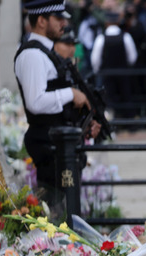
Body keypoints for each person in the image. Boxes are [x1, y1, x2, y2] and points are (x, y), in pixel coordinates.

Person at [15, 0, 99, 218]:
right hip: (48, 144)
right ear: (41, 21)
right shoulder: (33, 54)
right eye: (58, 18)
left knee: (65, 214)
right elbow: (36, 102)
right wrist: (71, 94)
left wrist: (83, 123)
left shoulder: (45, 52)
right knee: (54, 217)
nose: (64, 23)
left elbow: (57, 105)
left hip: (59, 143)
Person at [91, 10, 138, 120]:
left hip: (107, 75)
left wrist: (98, 70)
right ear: (118, 22)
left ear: (106, 23)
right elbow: (133, 57)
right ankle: (129, 124)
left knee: (108, 100)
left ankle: (111, 124)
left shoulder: (101, 38)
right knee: (126, 98)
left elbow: (95, 60)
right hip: (123, 73)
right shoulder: (126, 37)